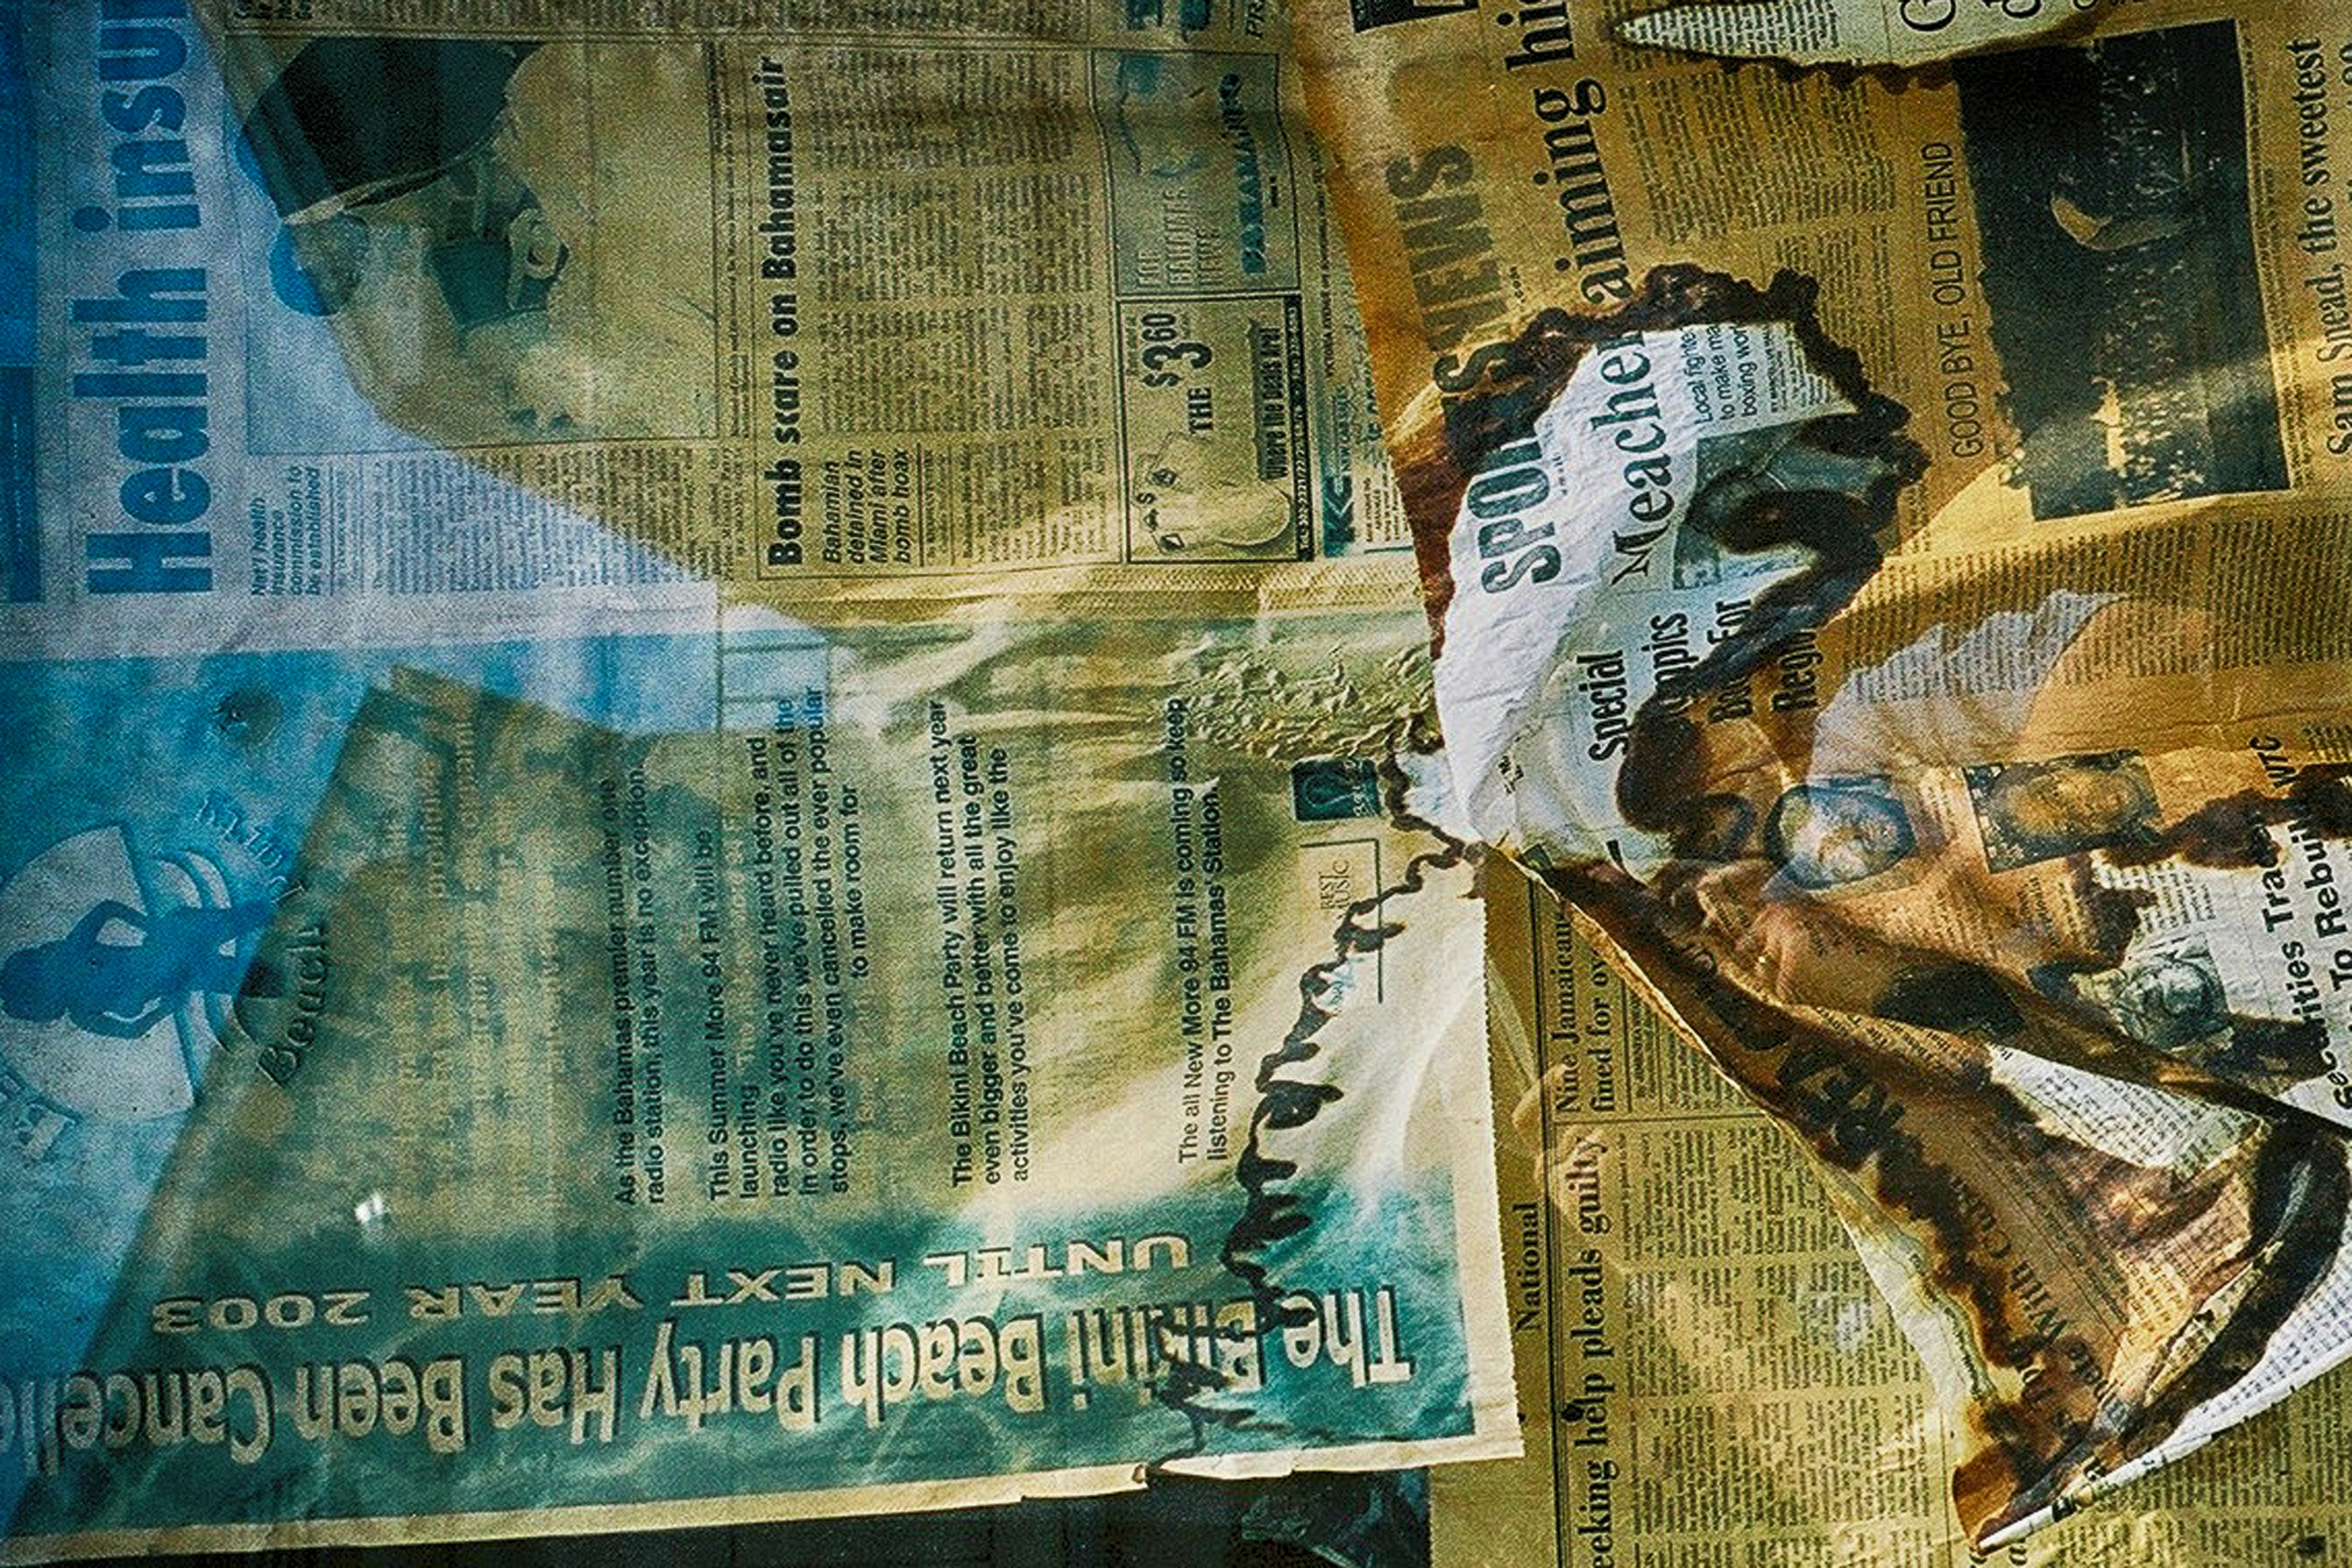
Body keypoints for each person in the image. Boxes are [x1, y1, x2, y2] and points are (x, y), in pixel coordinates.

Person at [0, 900, 274, 1039]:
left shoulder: (75, 955)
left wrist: (152, 926)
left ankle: (277, 910)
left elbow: (107, 909)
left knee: (243, 924)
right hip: (181, 971)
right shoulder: (82, 1011)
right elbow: (131, 1031)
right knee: (256, 976)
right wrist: (163, 1009)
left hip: (175, 948)